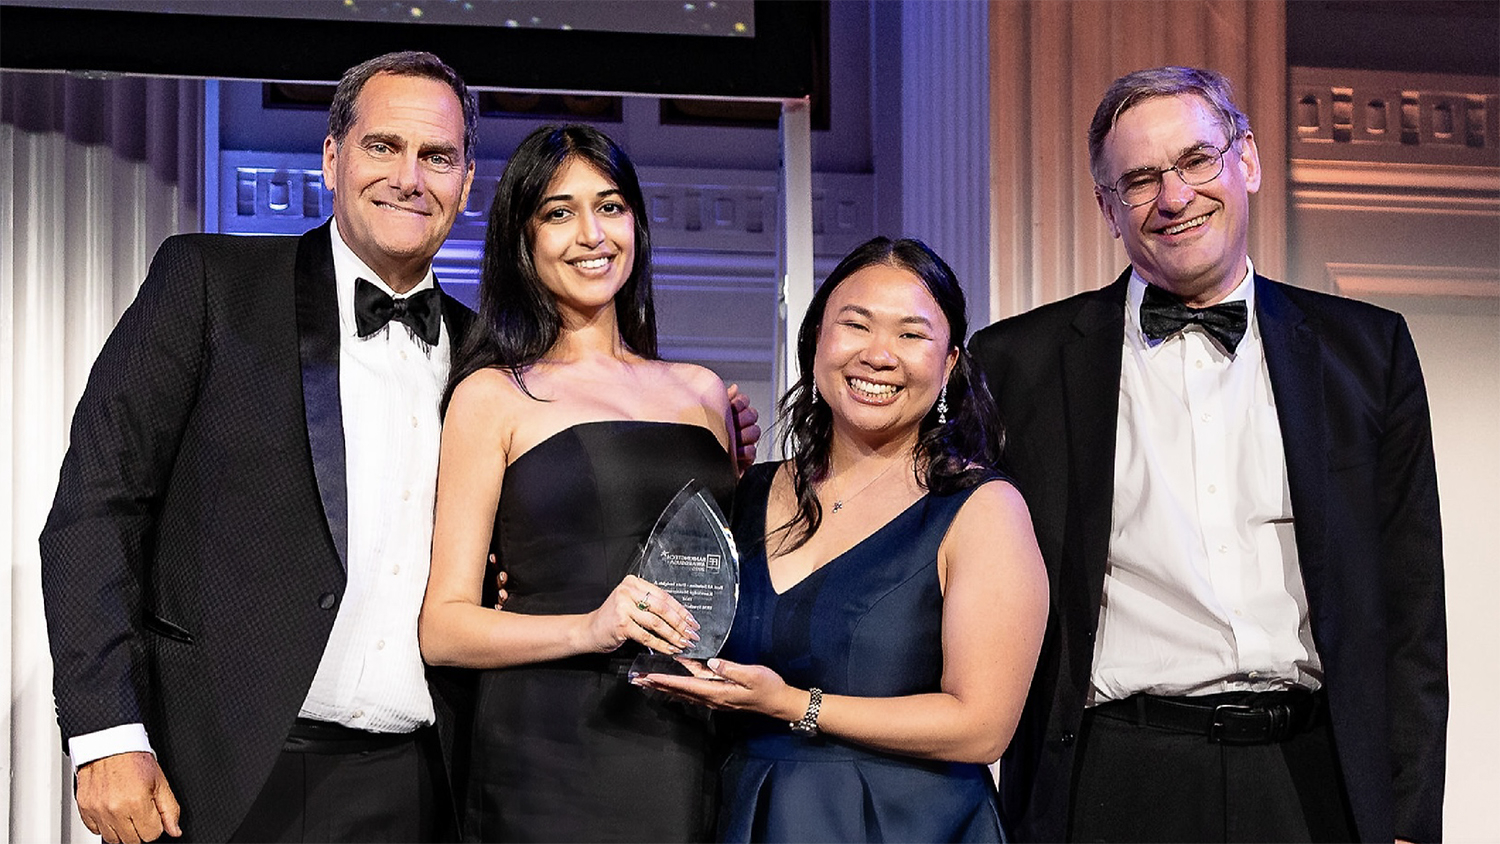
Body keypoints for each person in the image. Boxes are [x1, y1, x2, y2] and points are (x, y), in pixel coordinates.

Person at [39, 53, 759, 843]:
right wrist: (107, 734)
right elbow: (94, 509)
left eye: (437, 156)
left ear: (466, 180)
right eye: (385, 146)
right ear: (331, 156)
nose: (410, 177)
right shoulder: (210, 284)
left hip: (426, 781)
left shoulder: (489, 359)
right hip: (224, 765)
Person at [969, 66, 1446, 843]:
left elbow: (1411, 609)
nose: (1176, 196)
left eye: (1197, 160)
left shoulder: (1368, 350)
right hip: (1113, 780)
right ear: (1108, 209)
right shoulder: (1017, 362)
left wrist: (1408, 818)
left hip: (1314, 778)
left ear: (1247, 161)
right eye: (1141, 179)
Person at [638, 237, 1049, 843]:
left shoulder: (982, 510)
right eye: (855, 326)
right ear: (816, 343)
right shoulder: (743, 492)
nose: (879, 355)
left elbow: (981, 726)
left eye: (911, 335)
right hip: (743, 813)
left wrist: (793, 705)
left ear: (950, 363)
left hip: (907, 823)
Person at [418, 124, 738, 842]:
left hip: (688, 742)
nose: (592, 234)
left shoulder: (702, 392)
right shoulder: (495, 396)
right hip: (549, 743)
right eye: (559, 213)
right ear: (522, 239)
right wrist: (590, 629)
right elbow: (443, 628)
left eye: (612, 206)